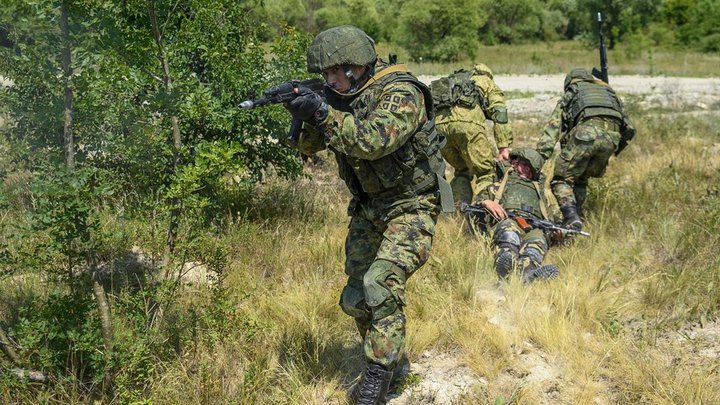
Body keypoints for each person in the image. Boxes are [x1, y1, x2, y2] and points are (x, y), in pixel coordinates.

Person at [283, 25, 453, 404]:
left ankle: (378, 378)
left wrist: (324, 112)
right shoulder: (340, 95)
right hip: (369, 207)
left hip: (412, 204)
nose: (328, 80)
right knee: (355, 298)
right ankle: (391, 360)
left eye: (333, 73)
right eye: (324, 74)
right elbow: (308, 147)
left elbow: (373, 140)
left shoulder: (401, 93)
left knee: (381, 283)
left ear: (355, 65)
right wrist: (304, 113)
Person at [536, 68, 636, 230]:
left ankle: (570, 216)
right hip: (612, 139)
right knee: (580, 178)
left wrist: (540, 156)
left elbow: (554, 127)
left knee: (561, 179)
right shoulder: (610, 93)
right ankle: (578, 216)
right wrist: (616, 150)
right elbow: (630, 129)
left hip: (585, 136)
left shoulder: (573, 91)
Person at [470, 148, 561, 282]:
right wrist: (486, 202)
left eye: (530, 169)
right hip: (508, 220)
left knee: (536, 245)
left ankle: (528, 273)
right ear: (514, 163)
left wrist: (558, 233)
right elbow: (474, 205)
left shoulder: (541, 194)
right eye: (524, 165)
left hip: (534, 228)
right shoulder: (500, 185)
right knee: (509, 235)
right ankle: (506, 262)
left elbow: (552, 220)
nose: (527, 170)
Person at [430, 63, 513, 205]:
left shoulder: (453, 80)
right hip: (467, 126)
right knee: (485, 172)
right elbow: (499, 111)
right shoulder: (486, 81)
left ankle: (457, 213)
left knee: (461, 171)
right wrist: (503, 146)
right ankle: (482, 217)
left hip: (439, 128)